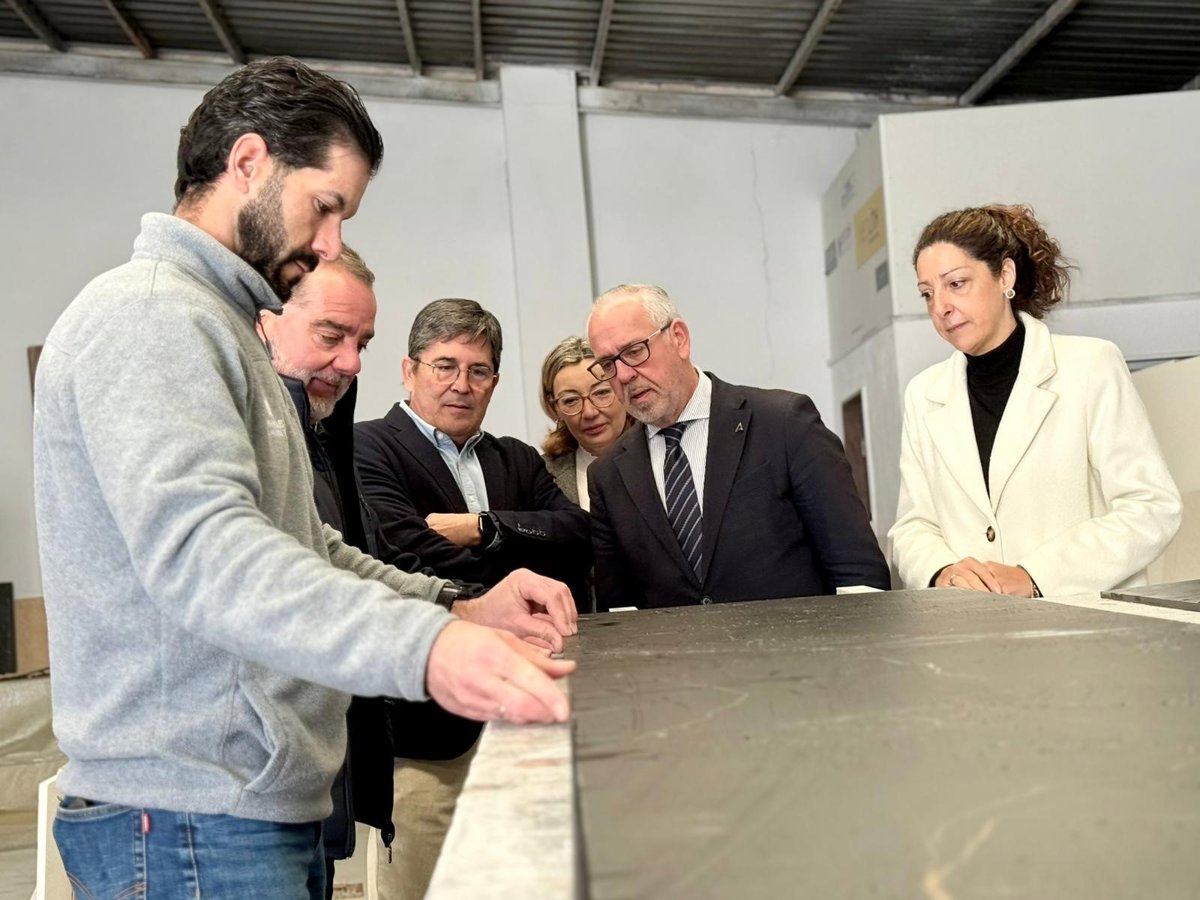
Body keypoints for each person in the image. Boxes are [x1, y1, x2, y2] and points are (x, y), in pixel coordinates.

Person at [33, 57, 575, 900]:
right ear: (249, 162)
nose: (328, 243)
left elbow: (307, 545)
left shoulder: (221, 329)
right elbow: (209, 556)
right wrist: (426, 650)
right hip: (190, 820)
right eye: (325, 207)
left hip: (242, 810)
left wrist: (456, 607)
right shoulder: (152, 317)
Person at [355, 298, 592, 899]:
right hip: (424, 734)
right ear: (409, 371)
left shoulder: (515, 458)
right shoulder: (367, 448)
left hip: (524, 725)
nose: (461, 384)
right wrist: (514, 585)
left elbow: (578, 537)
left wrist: (484, 528)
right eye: (445, 366)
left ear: (494, 380)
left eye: (478, 370)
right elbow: (402, 557)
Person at [889, 203, 1181, 596]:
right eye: (927, 294)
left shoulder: (1089, 366)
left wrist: (1034, 576)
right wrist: (942, 570)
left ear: (1005, 276)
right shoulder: (923, 394)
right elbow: (913, 526)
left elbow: (1150, 507)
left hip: (1081, 620)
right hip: (969, 623)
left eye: (956, 283)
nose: (941, 307)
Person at [585, 283, 890, 611]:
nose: (624, 375)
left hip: (799, 642)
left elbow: (858, 572)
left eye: (634, 351)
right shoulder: (609, 475)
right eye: (608, 364)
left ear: (679, 338)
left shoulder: (784, 424)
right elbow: (620, 612)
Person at [539, 335, 632, 509]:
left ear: (623, 389)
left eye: (601, 393)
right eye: (571, 400)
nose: (589, 412)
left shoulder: (662, 454)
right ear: (555, 407)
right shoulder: (542, 475)